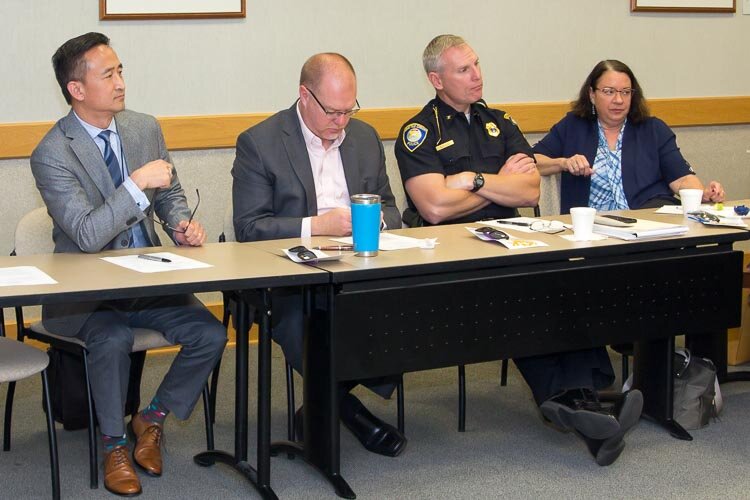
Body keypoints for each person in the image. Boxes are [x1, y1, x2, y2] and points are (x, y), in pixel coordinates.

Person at [395, 34, 642, 466]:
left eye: (477, 64)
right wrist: (496, 184)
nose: (477, 75)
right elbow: (433, 208)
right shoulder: (420, 133)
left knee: (565, 272)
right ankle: (584, 403)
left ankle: (576, 404)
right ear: (436, 79)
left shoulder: (500, 121)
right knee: (521, 290)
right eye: (463, 70)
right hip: (458, 252)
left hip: (514, 239)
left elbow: (529, 186)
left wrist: (470, 181)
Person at [30, 33, 226, 496]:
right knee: (114, 338)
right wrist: (136, 184)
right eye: (108, 74)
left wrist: (180, 225)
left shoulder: (143, 127)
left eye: (120, 71)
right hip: (87, 295)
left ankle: (150, 419)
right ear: (77, 89)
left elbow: (171, 194)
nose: (120, 82)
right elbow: (86, 233)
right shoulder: (52, 152)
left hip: (151, 280)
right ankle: (113, 444)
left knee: (210, 332)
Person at [232, 53, 406, 457]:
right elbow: (250, 228)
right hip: (292, 279)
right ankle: (352, 413)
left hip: (361, 270)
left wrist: (370, 224)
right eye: (333, 111)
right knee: (305, 326)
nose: (341, 122)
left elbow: (394, 212)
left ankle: (319, 402)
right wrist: (317, 225)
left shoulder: (363, 138)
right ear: (303, 96)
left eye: (349, 110)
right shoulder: (260, 142)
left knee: (402, 312)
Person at [533, 59, 725, 214]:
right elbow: (533, 160)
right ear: (592, 94)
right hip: (593, 229)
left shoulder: (653, 129)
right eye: (609, 92)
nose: (618, 100)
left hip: (649, 224)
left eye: (625, 92)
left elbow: (682, 179)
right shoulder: (573, 126)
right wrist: (563, 163)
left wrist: (703, 194)